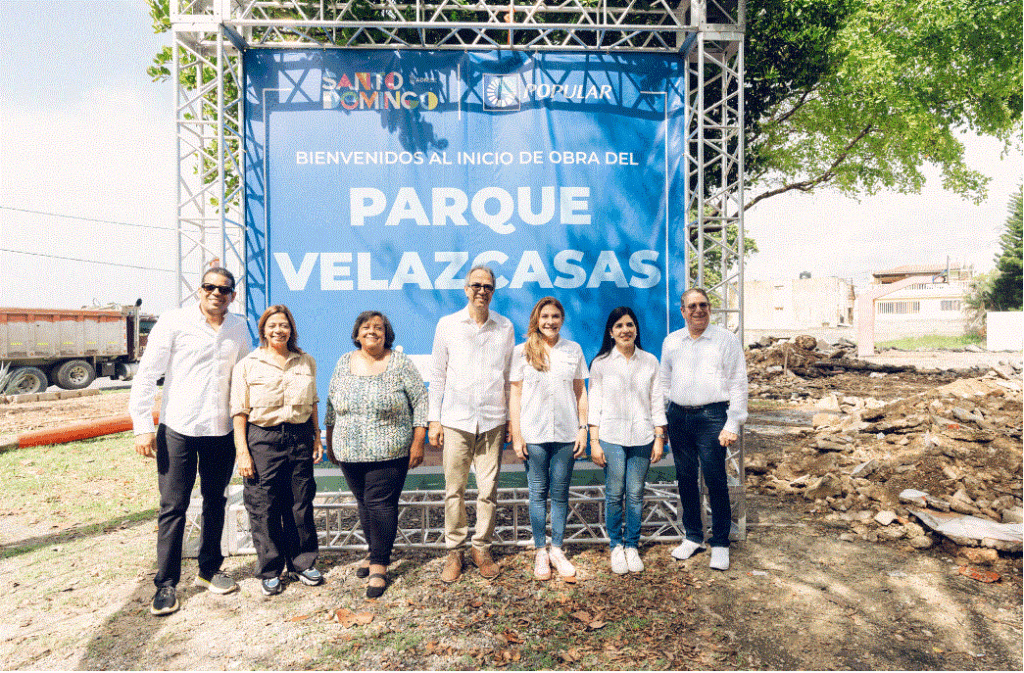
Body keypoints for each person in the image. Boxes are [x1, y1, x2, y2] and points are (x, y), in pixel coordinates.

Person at [129, 267, 250, 616]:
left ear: (232, 295)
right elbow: (147, 374)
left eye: (224, 289)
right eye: (210, 287)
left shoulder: (238, 327)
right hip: (178, 429)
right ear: (200, 290)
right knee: (173, 507)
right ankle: (166, 584)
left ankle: (209, 570)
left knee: (216, 501)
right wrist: (142, 425)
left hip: (220, 430)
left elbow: (243, 376)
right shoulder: (174, 321)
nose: (216, 293)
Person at [324, 311, 427, 598]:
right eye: (366, 327)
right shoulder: (343, 362)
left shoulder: (400, 363)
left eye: (378, 327)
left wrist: (419, 440)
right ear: (357, 334)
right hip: (348, 451)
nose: (372, 331)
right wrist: (330, 441)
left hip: (390, 451)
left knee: (380, 504)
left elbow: (421, 401)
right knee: (364, 503)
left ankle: (380, 565)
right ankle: (373, 553)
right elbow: (331, 404)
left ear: (386, 334)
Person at [428, 266, 515, 583]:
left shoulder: (505, 327)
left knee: (488, 491)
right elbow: (437, 376)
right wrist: (434, 419)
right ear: (466, 289)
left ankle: (481, 549)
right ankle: (455, 552)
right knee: (455, 490)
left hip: (492, 420)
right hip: (456, 421)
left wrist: (509, 419)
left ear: (493, 291)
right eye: (476, 285)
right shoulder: (448, 324)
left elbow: (508, 376)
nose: (482, 291)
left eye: (488, 286)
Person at [230, 305, 323, 597]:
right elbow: (239, 412)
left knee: (300, 502)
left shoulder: (306, 361)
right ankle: (270, 570)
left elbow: (313, 402)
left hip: (299, 436)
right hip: (262, 439)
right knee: (263, 505)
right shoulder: (248, 364)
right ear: (263, 331)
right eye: (272, 326)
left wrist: (317, 437)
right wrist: (243, 452)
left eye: (283, 325)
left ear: (291, 329)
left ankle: (302, 563)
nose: (278, 330)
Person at [660, 288, 748, 571]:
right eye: (692, 306)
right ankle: (693, 536)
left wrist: (732, 423)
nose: (698, 310)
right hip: (678, 417)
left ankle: (720, 542)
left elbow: (738, 383)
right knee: (685, 478)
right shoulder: (672, 341)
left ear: (710, 308)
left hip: (712, 417)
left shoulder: (725, 340)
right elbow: (664, 382)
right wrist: (664, 417)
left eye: (703, 305)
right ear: (683, 311)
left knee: (715, 479)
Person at [509, 296, 589, 580]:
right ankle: (540, 550)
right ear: (537, 319)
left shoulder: (573, 350)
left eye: (555, 316)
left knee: (560, 492)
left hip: (566, 433)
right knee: (537, 492)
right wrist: (517, 435)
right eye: (545, 317)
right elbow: (515, 394)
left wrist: (583, 428)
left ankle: (557, 548)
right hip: (534, 433)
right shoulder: (522, 352)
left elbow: (580, 391)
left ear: (562, 319)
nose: (550, 321)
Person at [588, 307, 667, 574]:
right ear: (611, 332)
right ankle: (616, 546)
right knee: (614, 493)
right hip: (611, 437)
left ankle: (632, 545)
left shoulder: (650, 362)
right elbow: (594, 405)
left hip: (643, 437)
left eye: (630, 325)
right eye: (619, 326)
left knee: (635, 494)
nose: (625, 330)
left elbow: (657, 402)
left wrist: (659, 438)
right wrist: (594, 442)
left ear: (636, 329)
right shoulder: (600, 364)